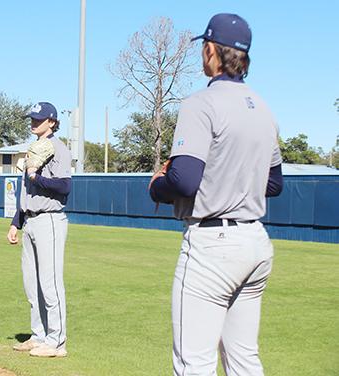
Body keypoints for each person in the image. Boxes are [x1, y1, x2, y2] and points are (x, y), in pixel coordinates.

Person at [149, 14, 283, 376]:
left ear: (210, 50)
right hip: (255, 242)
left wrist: (156, 186)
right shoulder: (264, 108)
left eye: (203, 48)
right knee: (244, 361)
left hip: (213, 246)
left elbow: (184, 181)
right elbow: (273, 185)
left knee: (194, 364)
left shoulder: (201, 103)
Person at [7, 102, 72, 358]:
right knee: (31, 283)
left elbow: (65, 187)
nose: (34, 122)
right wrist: (16, 222)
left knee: (50, 283)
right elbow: (25, 192)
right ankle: (39, 335)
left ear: (52, 122)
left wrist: (36, 177)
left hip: (50, 220)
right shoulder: (33, 148)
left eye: (39, 119)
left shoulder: (59, 149)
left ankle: (57, 341)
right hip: (30, 220)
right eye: (32, 118)